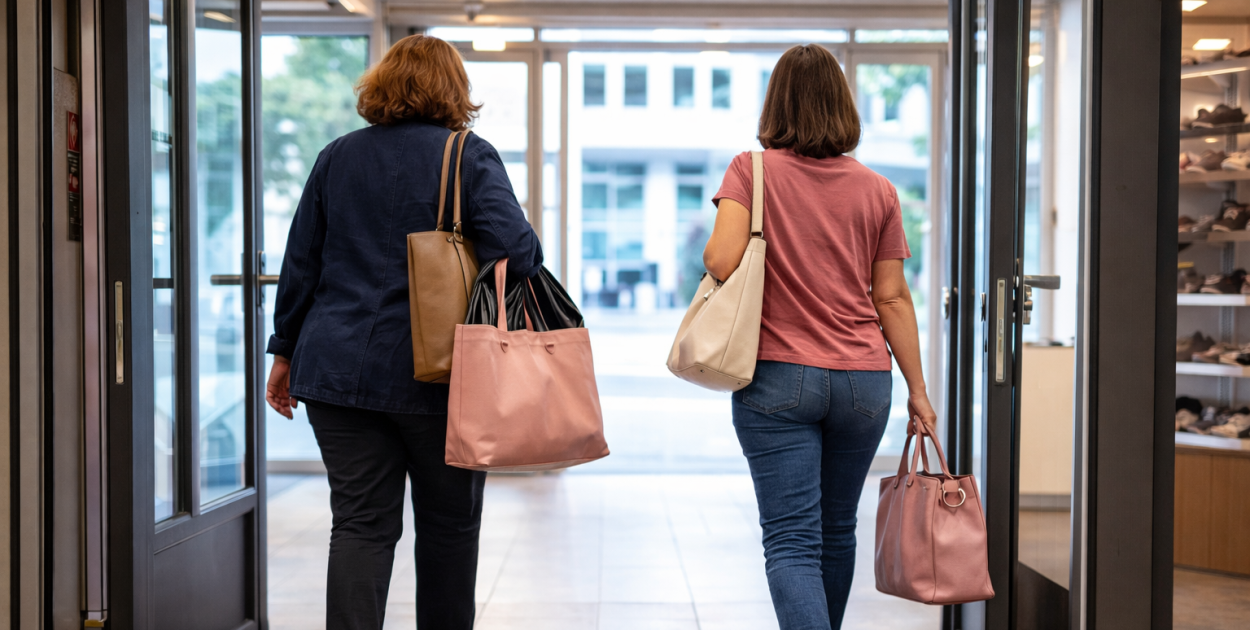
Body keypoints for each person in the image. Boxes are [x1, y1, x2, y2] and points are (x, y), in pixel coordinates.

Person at [263, 35, 541, 630]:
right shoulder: (468, 155)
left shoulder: (336, 155)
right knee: (449, 528)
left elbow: (301, 263)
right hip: (441, 377)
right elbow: (518, 254)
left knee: (360, 525)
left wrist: (284, 352)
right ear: (454, 89)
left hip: (335, 371)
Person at [702, 44, 937, 630]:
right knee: (836, 530)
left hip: (778, 378)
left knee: (790, 541)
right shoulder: (879, 191)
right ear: (843, 106)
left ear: (775, 103)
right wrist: (920, 391)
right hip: (865, 383)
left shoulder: (749, 171)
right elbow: (891, 298)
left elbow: (721, 259)